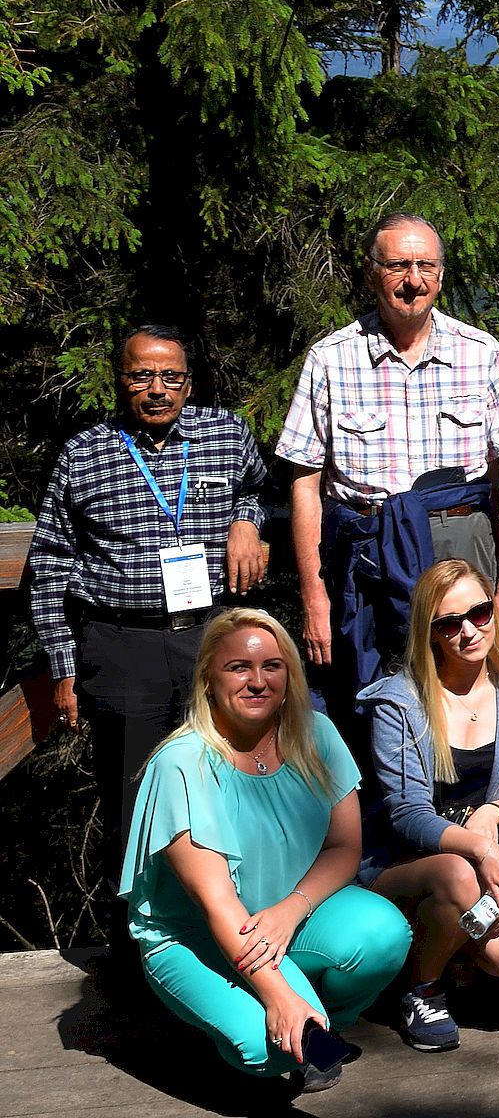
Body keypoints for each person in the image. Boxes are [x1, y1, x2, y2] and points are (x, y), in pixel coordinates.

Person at [118, 609, 409, 1093]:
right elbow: (217, 904)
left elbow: (344, 848)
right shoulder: (181, 764)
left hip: (282, 916)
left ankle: (319, 1023)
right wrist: (278, 997)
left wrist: (290, 910)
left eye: (272, 666)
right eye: (238, 668)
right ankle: (264, 1022)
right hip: (197, 934)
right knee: (267, 1047)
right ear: (208, 678)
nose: (257, 681)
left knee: (383, 934)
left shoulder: (317, 733)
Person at [32, 325, 272, 849]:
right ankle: (135, 906)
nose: (157, 389)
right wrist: (64, 665)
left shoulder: (226, 434)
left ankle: (228, 902)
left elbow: (258, 490)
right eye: (141, 376)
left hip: (212, 639)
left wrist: (246, 522)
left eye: (170, 376)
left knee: (230, 786)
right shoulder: (84, 454)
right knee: (134, 799)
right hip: (121, 646)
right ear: (120, 381)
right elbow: (50, 561)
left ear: (189, 383)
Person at [278, 213, 499, 682]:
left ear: (440, 275)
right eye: (398, 265)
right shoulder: (330, 359)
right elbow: (305, 485)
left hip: (461, 547)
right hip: (370, 559)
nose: (413, 280)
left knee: (471, 686)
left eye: (426, 266)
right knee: (376, 691)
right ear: (372, 274)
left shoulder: (481, 352)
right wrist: (314, 595)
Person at [356, 560, 499, 1050]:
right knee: (458, 874)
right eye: (449, 623)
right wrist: (479, 848)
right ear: (430, 632)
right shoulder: (399, 702)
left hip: (495, 854)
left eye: (479, 614)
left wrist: (495, 811)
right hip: (406, 861)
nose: (469, 631)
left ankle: (456, 949)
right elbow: (407, 814)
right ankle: (422, 987)